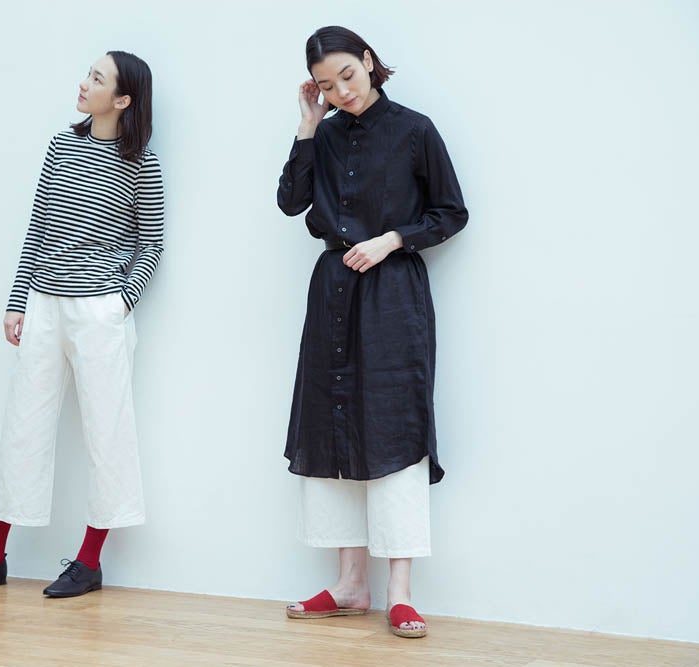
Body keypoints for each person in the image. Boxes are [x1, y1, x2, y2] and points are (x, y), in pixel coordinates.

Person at [0, 50, 164, 598]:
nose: (84, 84)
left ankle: (89, 562)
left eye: (97, 78)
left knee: (107, 432)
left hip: (99, 311)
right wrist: (18, 301)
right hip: (42, 303)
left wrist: (122, 300)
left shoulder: (142, 163)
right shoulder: (62, 144)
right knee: (23, 426)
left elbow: (151, 242)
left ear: (122, 99)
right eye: (88, 73)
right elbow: (38, 228)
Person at [276, 26, 467, 637]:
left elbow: (452, 212)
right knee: (331, 428)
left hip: (392, 295)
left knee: (395, 428)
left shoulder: (414, 129)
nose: (342, 92)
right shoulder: (326, 133)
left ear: (368, 60)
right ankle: (350, 584)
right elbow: (291, 202)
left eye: (348, 76)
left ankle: (400, 592)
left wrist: (392, 240)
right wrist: (309, 126)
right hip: (333, 291)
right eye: (327, 86)